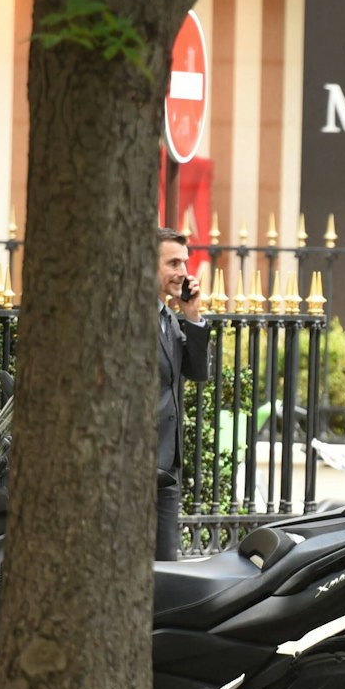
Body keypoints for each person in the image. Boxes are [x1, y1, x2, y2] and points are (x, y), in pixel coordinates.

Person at [156, 228, 209, 561]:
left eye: (184, 263)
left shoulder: (169, 318)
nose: (183, 272)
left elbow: (197, 371)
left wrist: (192, 316)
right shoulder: (129, 319)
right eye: (173, 263)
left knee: (165, 565)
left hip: (168, 466)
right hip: (135, 463)